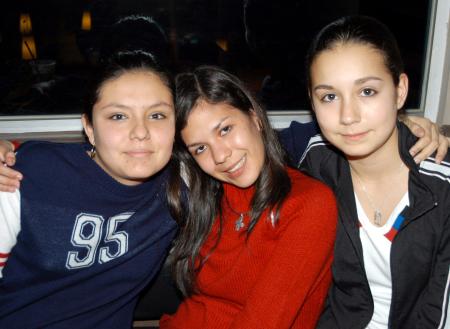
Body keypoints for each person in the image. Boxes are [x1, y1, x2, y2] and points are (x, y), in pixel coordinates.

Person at [282, 16, 450, 328]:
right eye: (329, 97)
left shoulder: (443, 187)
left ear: (400, 91)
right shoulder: (315, 162)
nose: (348, 116)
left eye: (367, 92)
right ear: (312, 102)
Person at [0, 50, 178, 328]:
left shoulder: (184, 185)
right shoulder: (24, 177)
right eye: (118, 116)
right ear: (90, 128)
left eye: (157, 115)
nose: (140, 132)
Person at [159, 65, 338, 328]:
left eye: (225, 130)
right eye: (200, 148)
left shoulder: (308, 204)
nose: (220, 156)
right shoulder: (209, 200)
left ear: (254, 118)